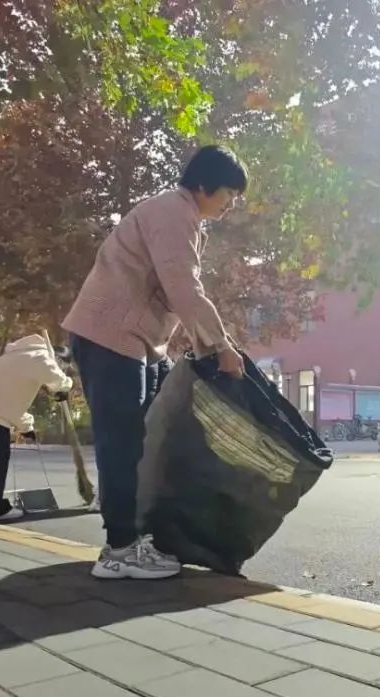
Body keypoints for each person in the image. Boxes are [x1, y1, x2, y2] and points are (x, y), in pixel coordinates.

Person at [63, 144, 248, 580]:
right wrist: (220, 345)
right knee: (122, 441)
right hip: (110, 336)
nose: (231, 204)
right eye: (228, 193)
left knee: (138, 441)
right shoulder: (171, 212)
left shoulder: (186, 219)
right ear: (202, 186)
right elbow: (183, 286)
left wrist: (204, 345)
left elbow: (174, 294)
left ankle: (130, 539)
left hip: (137, 342)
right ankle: (119, 551)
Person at [0, 334, 72, 521]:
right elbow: (57, 379)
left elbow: (10, 402)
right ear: (57, 358)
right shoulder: (39, 357)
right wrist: (64, 387)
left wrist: (27, 426)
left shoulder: (15, 357)